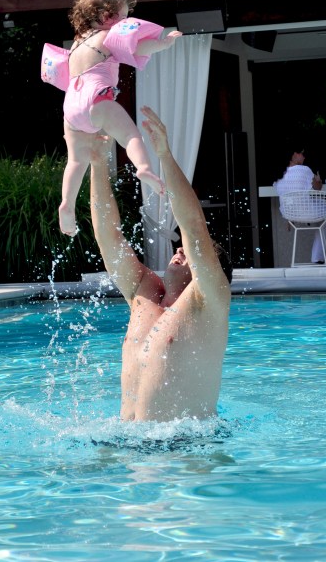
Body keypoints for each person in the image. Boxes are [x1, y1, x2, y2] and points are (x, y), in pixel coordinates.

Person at [89, 106, 231, 423]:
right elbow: (108, 238)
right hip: (127, 440)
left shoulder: (210, 301)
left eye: (191, 253)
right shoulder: (144, 294)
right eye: (181, 248)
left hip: (185, 446)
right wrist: (97, 164)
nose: (180, 248)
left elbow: (194, 228)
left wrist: (164, 156)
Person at [41, 0, 182, 236]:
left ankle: (67, 203)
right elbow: (139, 46)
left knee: (76, 160)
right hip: (97, 97)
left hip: (71, 106)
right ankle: (144, 168)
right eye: (124, 17)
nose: (126, 23)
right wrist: (164, 43)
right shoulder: (109, 36)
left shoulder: (77, 43)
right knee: (130, 136)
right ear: (108, 17)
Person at [274, 147, 326, 263]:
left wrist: (289, 217)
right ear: (294, 154)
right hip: (308, 212)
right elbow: (318, 188)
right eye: (302, 154)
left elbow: (285, 195)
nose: (304, 157)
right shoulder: (305, 170)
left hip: (290, 213)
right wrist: (319, 180)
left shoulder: (280, 174)